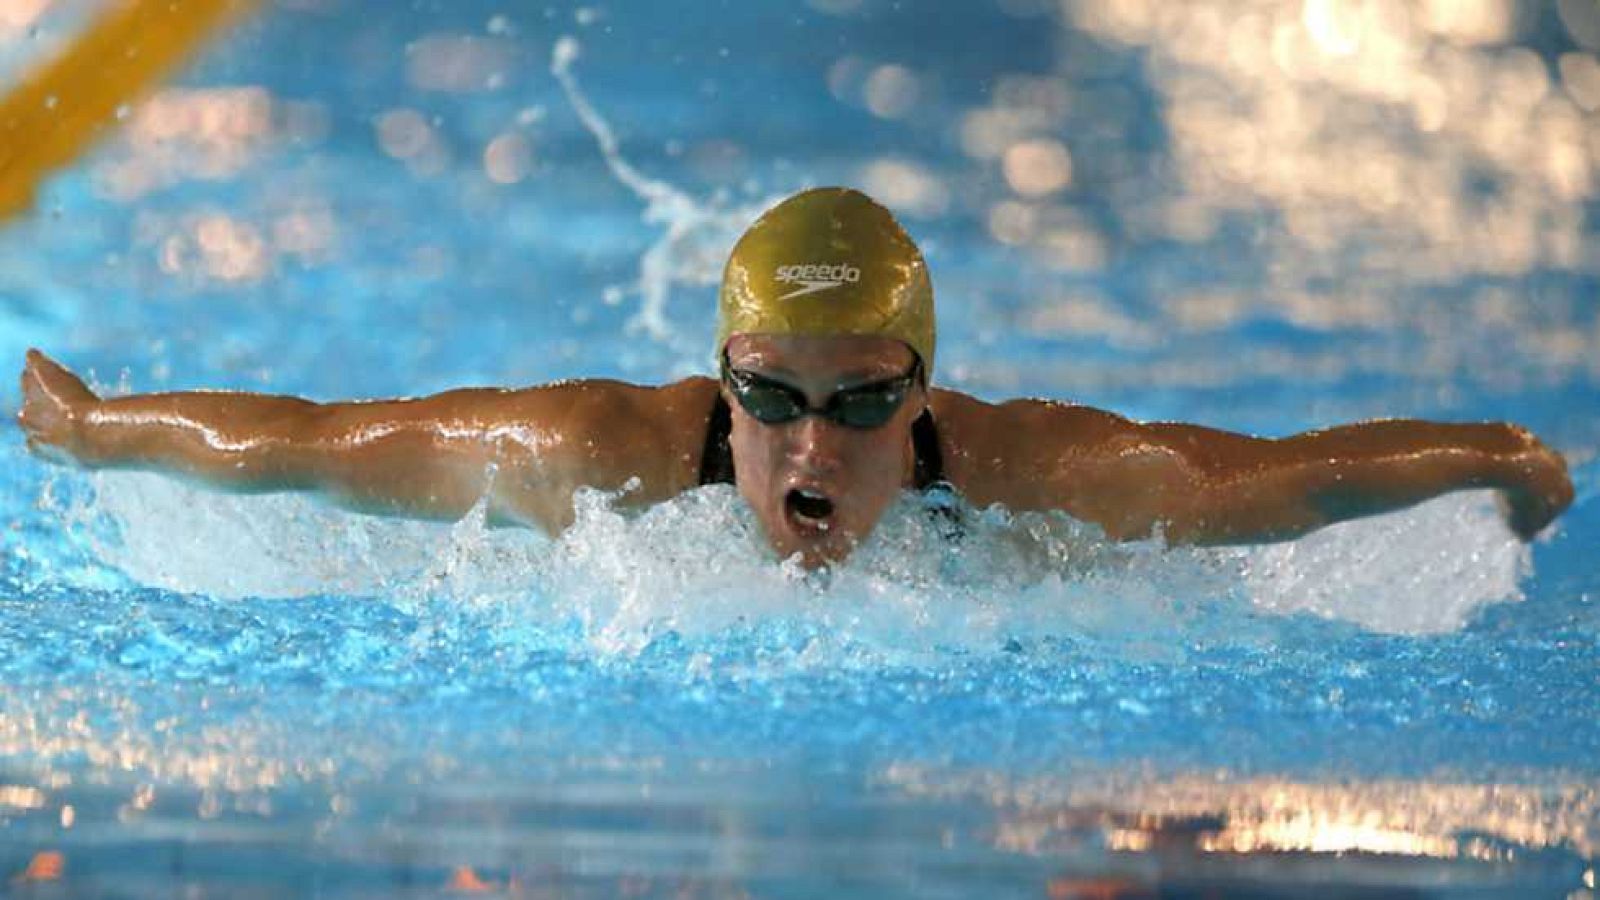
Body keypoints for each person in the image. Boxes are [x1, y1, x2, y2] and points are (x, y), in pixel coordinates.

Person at [16, 188, 1574, 568]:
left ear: (924, 398)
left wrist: (1497, 452)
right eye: (765, 398)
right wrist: (94, 429)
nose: (802, 444)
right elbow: (301, 444)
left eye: (856, 400)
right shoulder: (597, 456)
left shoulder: (1039, 475)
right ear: (721, 384)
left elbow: (1289, 474)